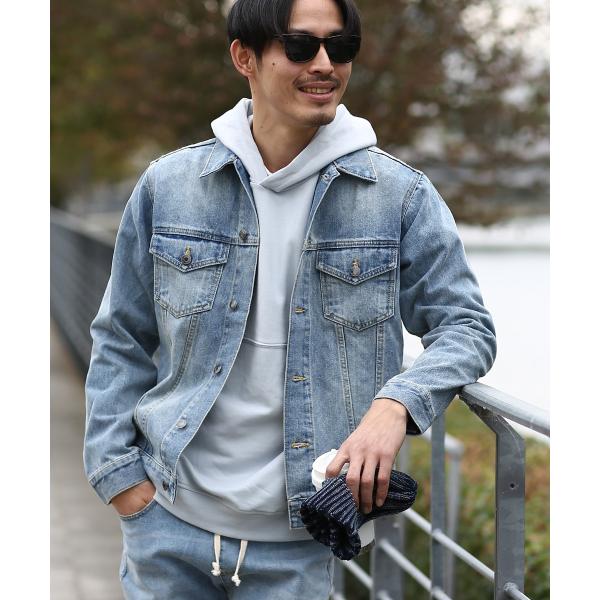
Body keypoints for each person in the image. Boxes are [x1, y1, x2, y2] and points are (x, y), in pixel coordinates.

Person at [83, 0, 497, 597]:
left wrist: (395, 406)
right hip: (167, 525)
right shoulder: (169, 187)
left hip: (301, 545)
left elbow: (466, 327)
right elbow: (121, 335)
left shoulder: (398, 196)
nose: (324, 63)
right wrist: (121, 481)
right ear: (244, 57)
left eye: (340, 46)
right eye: (301, 46)